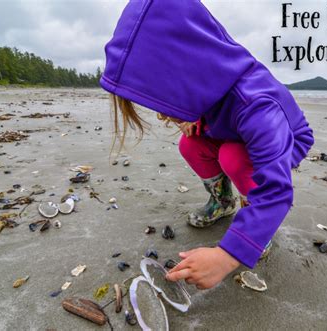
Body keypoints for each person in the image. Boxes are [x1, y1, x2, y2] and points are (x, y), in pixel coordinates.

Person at [100, 0, 314, 290]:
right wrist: (197, 115)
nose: (162, 113)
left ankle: (257, 226)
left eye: (163, 99)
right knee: (191, 143)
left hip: (286, 138)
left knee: (234, 157)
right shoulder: (208, 82)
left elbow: (277, 189)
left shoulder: (257, 103)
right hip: (232, 129)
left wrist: (228, 256)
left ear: (185, 74)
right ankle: (223, 202)